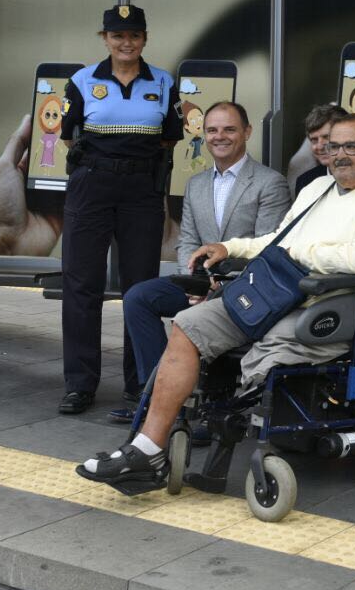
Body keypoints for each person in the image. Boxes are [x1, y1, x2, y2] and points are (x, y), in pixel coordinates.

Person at [76, 112, 355, 493]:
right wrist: (229, 247)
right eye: (335, 147)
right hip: (279, 292)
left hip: (337, 304)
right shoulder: (317, 189)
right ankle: (147, 450)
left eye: (353, 146)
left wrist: (296, 253)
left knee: (260, 359)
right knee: (190, 325)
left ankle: (236, 436)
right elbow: (277, 240)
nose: (341, 155)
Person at [106, 101, 290, 424]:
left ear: (247, 132)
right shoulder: (196, 185)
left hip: (245, 290)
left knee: (200, 314)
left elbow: (266, 250)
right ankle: (161, 397)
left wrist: (222, 285)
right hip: (202, 284)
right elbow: (188, 240)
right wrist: (191, 284)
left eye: (229, 129)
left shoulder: (269, 183)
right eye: (212, 130)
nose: (220, 137)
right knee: (138, 298)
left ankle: (197, 402)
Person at [57, 5, 182, 416]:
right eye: (118, 36)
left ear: (145, 38)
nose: (126, 43)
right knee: (81, 285)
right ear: (105, 38)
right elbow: (67, 135)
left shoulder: (163, 82)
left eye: (134, 35)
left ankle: (140, 382)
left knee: (140, 289)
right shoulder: (81, 80)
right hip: (91, 186)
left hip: (141, 189)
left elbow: (170, 138)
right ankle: (79, 384)